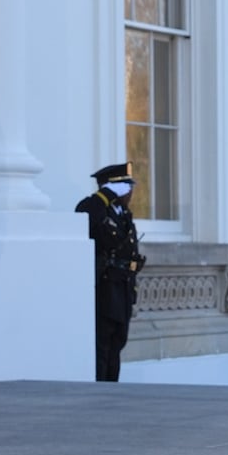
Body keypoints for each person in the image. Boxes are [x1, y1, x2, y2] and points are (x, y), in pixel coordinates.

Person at [76, 163, 145, 382]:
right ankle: (101, 391)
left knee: (117, 343)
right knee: (102, 346)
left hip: (122, 288)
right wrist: (104, 195)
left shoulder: (123, 214)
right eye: (126, 188)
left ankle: (112, 389)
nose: (131, 193)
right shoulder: (96, 208)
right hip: (106, 289)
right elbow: (83, 215)